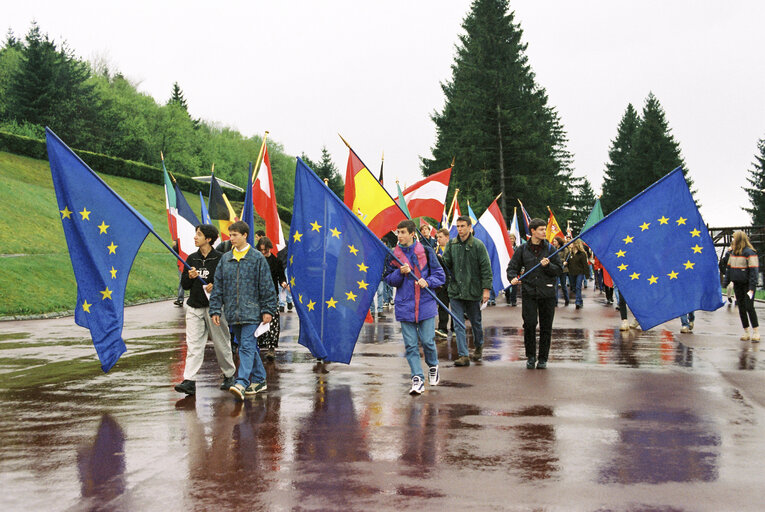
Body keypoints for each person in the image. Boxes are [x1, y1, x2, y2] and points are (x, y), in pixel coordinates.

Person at [209, 221, 277, 400]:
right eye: (230, 235)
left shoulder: (257, 258)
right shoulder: (225, 259)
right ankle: (260, 379)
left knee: (245, 346)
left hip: (252, 312)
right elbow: (218, 287)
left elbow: (266, 285)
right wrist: (215, 309)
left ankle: (241, 382)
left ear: (245, 235)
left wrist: (268, 309)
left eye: (234, 235)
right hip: (232, 313)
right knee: (247, 347)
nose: (231, 238)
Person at [384, 220, 446, 395]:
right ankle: (417, 378)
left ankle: (433, 365)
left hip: (426, 303)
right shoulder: (394, 255)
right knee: (410, 345)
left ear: (412, 234)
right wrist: (399, 273)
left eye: (403, 232)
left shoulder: (426, 251)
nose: (400, 235)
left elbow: (440, 275)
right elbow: (388, 279)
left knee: (427, 341)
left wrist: (429, 281)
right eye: (398, 232)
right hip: (405, 305)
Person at [174, 224, 237, 395]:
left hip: (215, 308)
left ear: (208, 239)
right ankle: (189, 380)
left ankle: (229, 375)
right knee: (193, 345)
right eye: (196, 234)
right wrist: (190, 276)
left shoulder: (220, 258)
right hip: (194, 307)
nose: (195, 237)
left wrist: (215, 286)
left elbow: (228, 283)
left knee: (221, 343)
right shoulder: (192, 259)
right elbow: (185, 285)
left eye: (199, 234)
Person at [507, 218, 562, 369]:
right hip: (529, 292)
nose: (545, 232)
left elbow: (559, 270)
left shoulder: (550, 249)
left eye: (545, 229)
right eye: (541, 229)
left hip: (547, 293)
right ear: (533, 231)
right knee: (529, 324)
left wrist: (548, 266)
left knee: (546, 327)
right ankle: (530, 356)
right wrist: (513, 278)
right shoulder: (522, 249)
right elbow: (512, 267)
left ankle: (543, 358)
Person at [441, 215, 493, 366]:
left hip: (473, 290)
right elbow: (446, 264)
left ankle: (478, 345)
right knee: (458, 323)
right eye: (458, 226)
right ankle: (463, 355)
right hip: (456, 290)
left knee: (476, 322)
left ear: (470, 227)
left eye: (463, 226)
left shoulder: (478, 245)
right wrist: (440, 260)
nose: (460, 229)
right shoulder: (452, 244)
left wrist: (486, 290)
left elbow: (486, 269)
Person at [255, 236, 287, 361]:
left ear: (270, 249)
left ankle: (271, 347)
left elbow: (281, 276)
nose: (263, 253)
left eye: (266, 250)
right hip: (257, 295)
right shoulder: (256, 261)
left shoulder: (276, 261)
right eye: (261, 250)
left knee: (273, 322)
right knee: (257, 321)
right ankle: (258, 344)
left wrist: (283, 283)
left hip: (272, 295)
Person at [725, 230, 759, 341]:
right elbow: (728, 268)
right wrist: (726, 281)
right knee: (742, 308)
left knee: (749, 307)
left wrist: (752, 286)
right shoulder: (733, 253)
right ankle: (746, 331)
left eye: (734, 238)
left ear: (739, 239)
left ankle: (756, 332)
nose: (732, 241)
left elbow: (754, 271)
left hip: (748, 285)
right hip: (737, 284)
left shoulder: (749, 253)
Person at [434, 227, 452, 338]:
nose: (438, 239)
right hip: (442, 283)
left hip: (453, 282)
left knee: (455, 307)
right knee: (442, 306)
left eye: (440, 237)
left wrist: (444, 259)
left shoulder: (452, 249)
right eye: (437, 237)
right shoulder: (435, 250)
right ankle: (442, 328)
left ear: (447, 237)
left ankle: (455, 329)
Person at [565, 239, 588, 309]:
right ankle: (580, 300)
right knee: (574, 287)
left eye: (571, 243)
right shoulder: (570, 254)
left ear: (575, 244)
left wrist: (587, 274)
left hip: (579, 272)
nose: (570, 244)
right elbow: (568, 262)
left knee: (578, 287)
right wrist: (566, 264)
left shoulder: (582, 254)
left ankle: (577, 302)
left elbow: (585, 265)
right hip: (572, 272)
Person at [504, 233, 519, 306]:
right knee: (507, 284)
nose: (511, 240)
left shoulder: (517, 248)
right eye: (510, 238)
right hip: (506, 267)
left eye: (512, 239)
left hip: (515, 268)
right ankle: (508, 297)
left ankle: (514, 300)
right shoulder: (505, 248)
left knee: (514, 284)